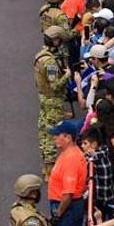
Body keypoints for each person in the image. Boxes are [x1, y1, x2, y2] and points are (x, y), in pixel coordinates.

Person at [35, 26, 72, 177]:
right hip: (53, 100)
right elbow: (55, 85)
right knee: (52, 134)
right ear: (55, 41)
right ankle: (50, 171)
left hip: (44, 98)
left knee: (44, 131)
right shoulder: (50, 62)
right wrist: (67, 75)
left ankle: (45, 166)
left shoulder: (41, 55)